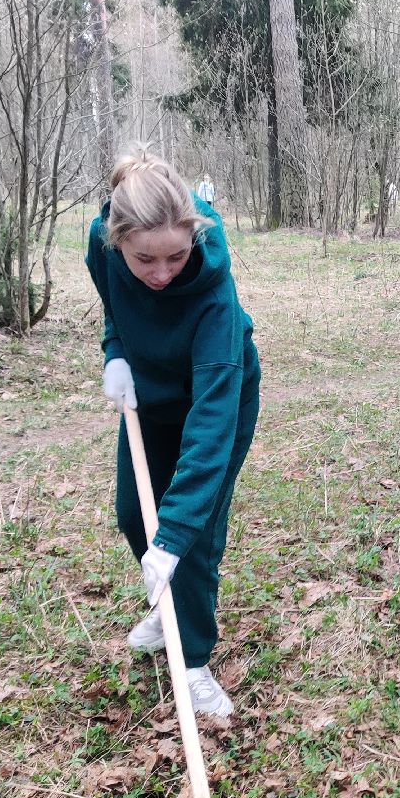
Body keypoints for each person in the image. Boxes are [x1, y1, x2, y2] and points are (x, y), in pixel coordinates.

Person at [87, 147, 260, 717]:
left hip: (215, 398)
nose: (161, 274)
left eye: (176, 257)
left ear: (195, 237)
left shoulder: (214, 296)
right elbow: (115, 304)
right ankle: (168, 613)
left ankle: (193, 663)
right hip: (148, 391)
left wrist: (175, 536)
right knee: (136, 516)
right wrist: (115, 353)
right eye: (144, 260)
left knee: (193, 533)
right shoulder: (102, 243)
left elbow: (210, 427)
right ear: (118, 243)